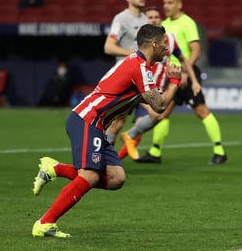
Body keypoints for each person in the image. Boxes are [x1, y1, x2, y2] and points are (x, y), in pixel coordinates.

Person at [31, 24, 182, 238]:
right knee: (91, 175)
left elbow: (153, 104)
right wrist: (175, 82)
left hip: (96, 125)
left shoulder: (136, 64)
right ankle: (44, 223)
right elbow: (159, 105)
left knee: (116, 178)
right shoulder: (139, 67)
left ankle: (55, 168)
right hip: (88, 120)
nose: (168, 48)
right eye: (165, 43)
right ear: (154, 44)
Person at [136, 0, 228, 165]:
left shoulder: (187, 23)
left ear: (179, 4)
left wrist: (186, 71)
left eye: (170, 3)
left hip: (186, 74)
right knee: (162, 113)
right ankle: (155, 152)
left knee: (201, 111)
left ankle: (219, 151)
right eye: (164, 3)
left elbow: (196, 50)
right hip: (171, 77)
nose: (166, 6)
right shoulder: (164, 24)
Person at [118, 6, 201, 161]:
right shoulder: (139, 41)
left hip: (151, 89)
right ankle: (108, 158)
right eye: (150, 17)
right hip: (133, 85)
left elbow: (183, 59)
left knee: (155, 117)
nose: (154, 19)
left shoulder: (169, 40)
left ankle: (114, 160)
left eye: (157, 17)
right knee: (118, 123)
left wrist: (194, 80)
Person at [103, 0, 147, 146]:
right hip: (125, 76)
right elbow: (108, 47)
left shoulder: (145, 19)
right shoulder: (121, 19)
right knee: (117, 123)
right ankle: (103, 158)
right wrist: (135, 54)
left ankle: (107, 159)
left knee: (157, 113)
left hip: (140, 76)